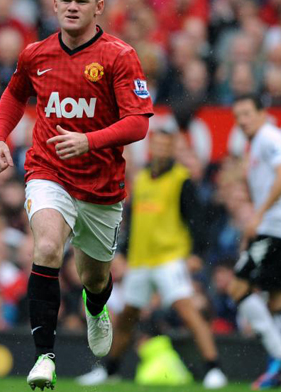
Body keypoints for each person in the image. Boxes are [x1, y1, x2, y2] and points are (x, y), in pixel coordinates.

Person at [0, 0, 153, 391]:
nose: (73, 7)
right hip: (49, 170)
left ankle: (95, 308)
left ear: (99, 8)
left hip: (101, 185)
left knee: (94, 279)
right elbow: (15, 94)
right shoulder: (35, 54)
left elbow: (138, 123)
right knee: (47, 247)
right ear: (55, 5)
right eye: (66, 0)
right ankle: (44, 357)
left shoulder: (119, 56)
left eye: (82, 1)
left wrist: (88, 141)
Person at [76, 129, 227, 389]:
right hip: (140, 260)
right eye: (157, 144)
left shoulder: (182, 180)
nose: (160, 149)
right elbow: (135, 222)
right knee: (127, 317)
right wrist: (123, 253)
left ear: (172, 149)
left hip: (169, 258)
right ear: (151, 147)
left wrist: (197, 254)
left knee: (188, 312)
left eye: (166, 145)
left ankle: (214, 368)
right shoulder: (142, 178)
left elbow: (197, 220)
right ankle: (110, 370)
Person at [229, 95, 281, 390]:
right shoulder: (257, 144)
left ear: (263, 114)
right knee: (280, 298)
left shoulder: (269, 137)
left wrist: (258, 215)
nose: (242, 121)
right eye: (238, 116)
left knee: (239, 287)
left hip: (276, 227)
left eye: (247, 113)